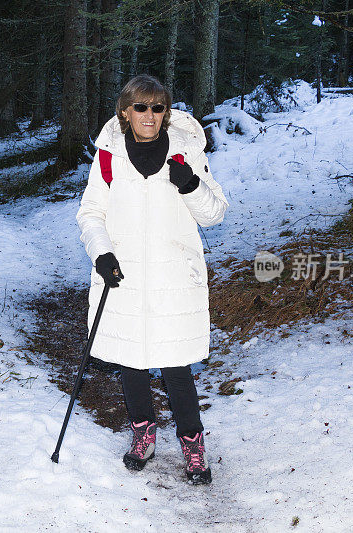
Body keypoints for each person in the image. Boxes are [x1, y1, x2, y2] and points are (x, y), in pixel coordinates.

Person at [75, 74, 229, 484]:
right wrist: (101, 252)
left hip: (173, 277)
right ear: (126, 112)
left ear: (166, 111)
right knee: (132, 363)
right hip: (123, 277)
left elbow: (214, 213)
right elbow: (91, 214)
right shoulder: (108, 157)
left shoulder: (186, 153)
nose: (149, 115)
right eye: (140, 107)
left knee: (176, 367)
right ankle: (143, 433)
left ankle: (192, 444)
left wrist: (191, 185)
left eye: (157, 107)